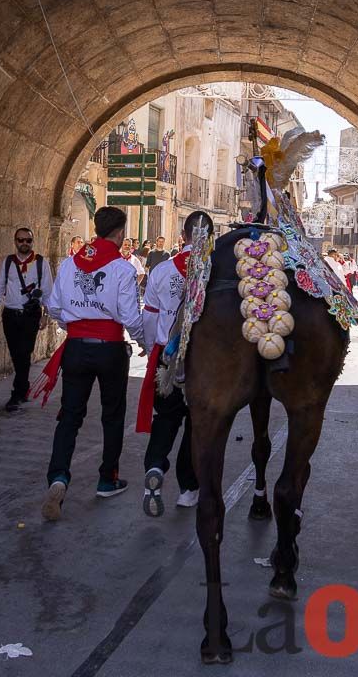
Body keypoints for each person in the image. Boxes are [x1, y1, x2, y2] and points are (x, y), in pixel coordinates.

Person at [38, 207, 147, 521]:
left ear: (98, 229)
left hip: (75, 347)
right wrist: (144, 343)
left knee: (69, 415)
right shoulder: (122, 269)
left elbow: (55, 306)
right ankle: (107, 479)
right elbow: (129, 316)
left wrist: (72, 326)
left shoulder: (71, 264)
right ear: (119, 233)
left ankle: (58, 477)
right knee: (112, 415)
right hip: (110, 348)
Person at [138, 213, 212, 517]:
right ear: (208, 238)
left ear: (183, 235)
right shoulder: (214, 272)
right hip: (202, 363)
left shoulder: (162, 270)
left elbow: (151, 316)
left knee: (166, 419)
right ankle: (187, 488)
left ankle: (155, 467)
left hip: (167, 358)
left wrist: (151, 349)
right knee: (195, 425)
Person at [0, 227, 54, 412]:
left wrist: (46, 316)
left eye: (28, 240)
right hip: (10, 313)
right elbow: (0, 285)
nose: (24, 243)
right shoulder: (8, 262)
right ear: (15, 241)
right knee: (16, 353)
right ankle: (23, 387)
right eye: (20, 240)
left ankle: (16, 394)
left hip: (30, 315)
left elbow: (48, 292)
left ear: (32, 242)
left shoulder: (41, 263)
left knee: (24, 352)